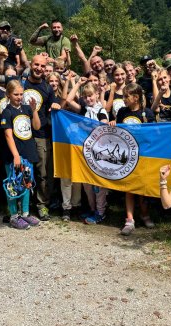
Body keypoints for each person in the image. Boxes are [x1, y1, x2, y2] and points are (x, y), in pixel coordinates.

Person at [109, 83, 155, 235]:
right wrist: (114, 123)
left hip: (142, 156)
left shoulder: (147, 113)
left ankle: (145, 214)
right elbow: (118, 129)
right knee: (129, 187)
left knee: (142, 187)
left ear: (136, 98)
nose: (123, 100)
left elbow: (153, 134)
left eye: (126, 97)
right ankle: (129, 219)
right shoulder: (122, 111)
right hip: (127, 156)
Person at [64, 79, 110, 224]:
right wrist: (77, 84)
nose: (88, 99)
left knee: (98, 184)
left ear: (97, 94)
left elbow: (103, 125)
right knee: (87, 183)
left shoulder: (101, 110)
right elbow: (68, 100)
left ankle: (101, 212)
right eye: (85, 96)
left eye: (91, 95)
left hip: (99, 153)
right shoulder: (84, 109)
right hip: (85, 151)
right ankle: (92, 209)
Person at [23, 54, 62, 221]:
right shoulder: (21, 83)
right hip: (22, 134)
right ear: (31, 65)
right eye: (36, 65)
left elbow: (56, 105)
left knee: (43, 173)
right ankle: (21, 205)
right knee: (22, 171)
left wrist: (56, 105)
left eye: (42, 66)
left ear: (46, 68)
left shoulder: (47, 88)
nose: (38, 68)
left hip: (42, 135)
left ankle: (42, 205)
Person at [0, 80, 41, 229]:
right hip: (14, 155)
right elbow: (8, 135)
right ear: (9, 95)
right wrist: (16, 155)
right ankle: (13, 216)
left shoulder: (26, 109)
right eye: (15, 94)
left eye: (21, 94)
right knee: (13, 184)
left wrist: (34, 110)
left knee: (27, 183)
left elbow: (36, 126)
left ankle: (25, 213)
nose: (19, 97)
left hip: (28, 152)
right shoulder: (7, 112)